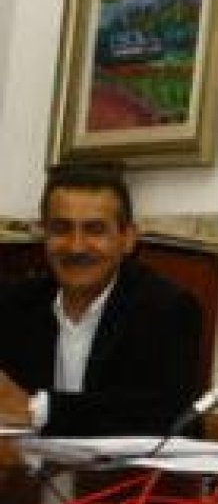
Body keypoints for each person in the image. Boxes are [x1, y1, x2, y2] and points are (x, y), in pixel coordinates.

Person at [0, 164, 202, 436]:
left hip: (126, 475)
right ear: (43, 234)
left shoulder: (167, 309)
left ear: (128, 239)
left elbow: (169, 415)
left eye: (94, 230)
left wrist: (38, 409)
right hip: (25, 472)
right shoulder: (13, 305)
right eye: (61, 229)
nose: (76, 246)